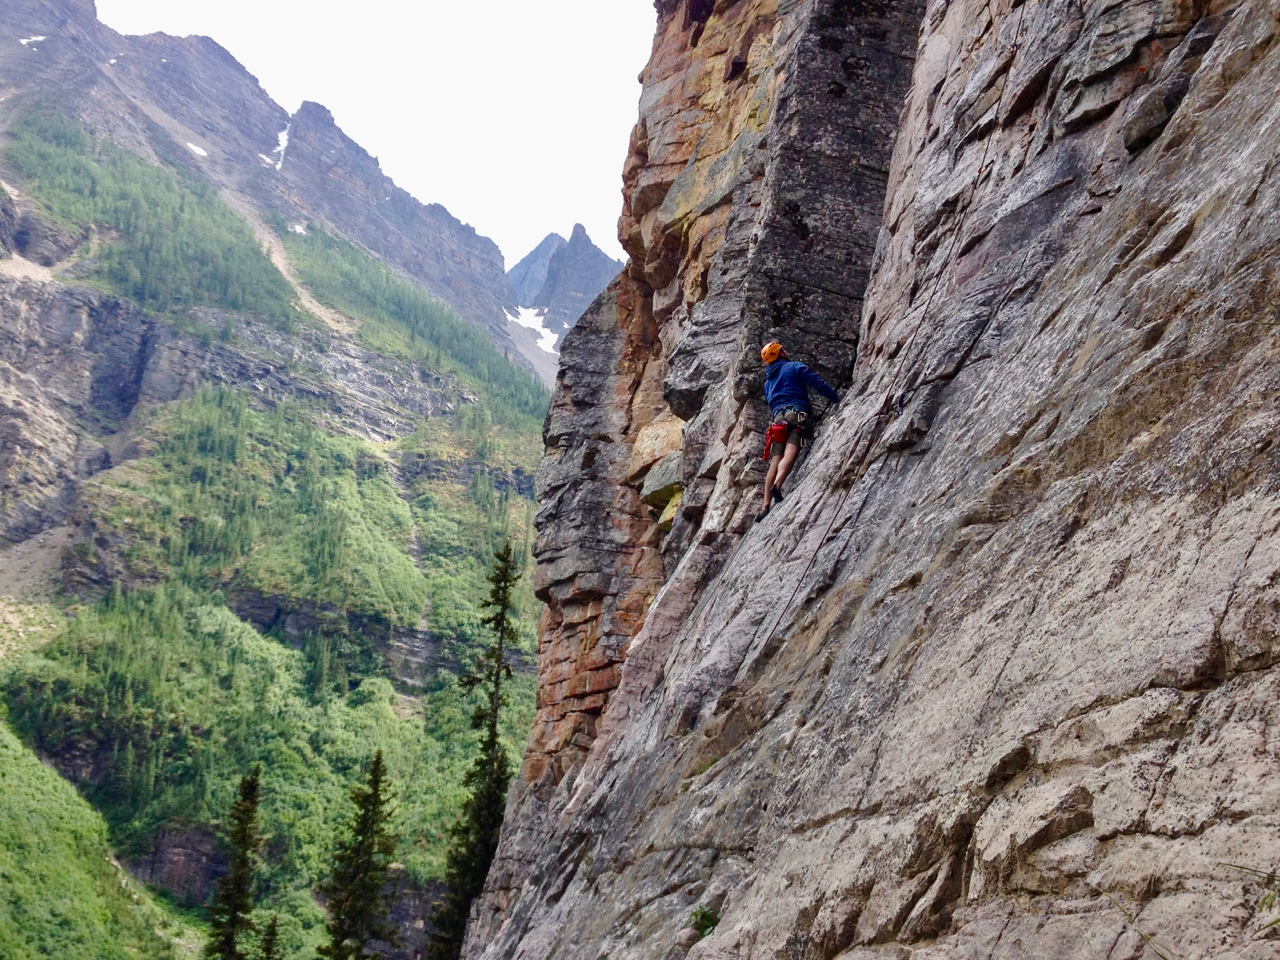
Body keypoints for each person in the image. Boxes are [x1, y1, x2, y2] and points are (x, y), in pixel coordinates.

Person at [757, 341, 840, 522]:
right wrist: (836, 399)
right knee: (791, 450)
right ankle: (777, 485)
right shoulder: (794, 366)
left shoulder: (768, 383)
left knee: (775, 460)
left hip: (777, 420)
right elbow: (816, 383)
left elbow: (772, 403)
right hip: (797, 413)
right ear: (781, 354)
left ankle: (764, 505)